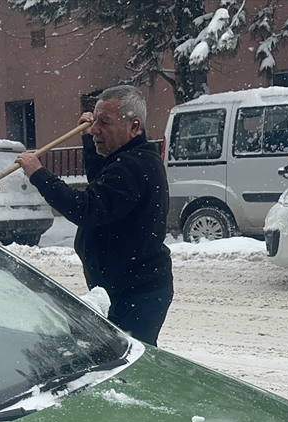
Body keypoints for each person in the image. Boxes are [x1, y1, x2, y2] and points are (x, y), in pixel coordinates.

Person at [15, 85, 173, 346]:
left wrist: (39, 175)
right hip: (126, 287)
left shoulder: (132, 166)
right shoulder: (127, 158)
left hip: (136, 291)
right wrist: (90, 141)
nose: (95, 128)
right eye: (94, 121)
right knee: (113, 356)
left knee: (126, 363)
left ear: (133, 127)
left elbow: (86, 208)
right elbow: (102, 179)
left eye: (104, 122)